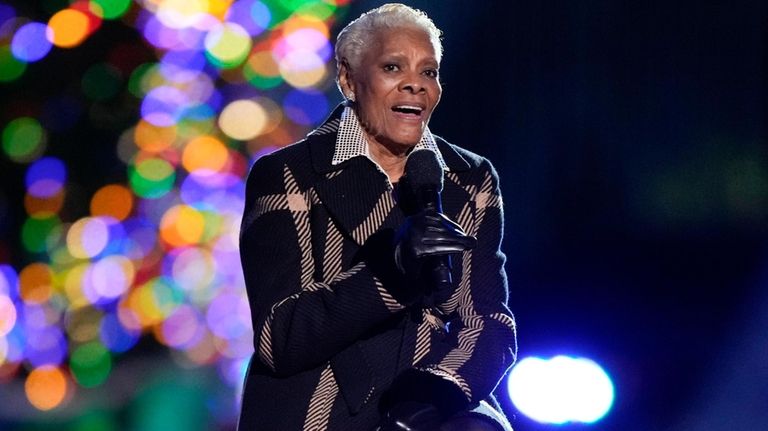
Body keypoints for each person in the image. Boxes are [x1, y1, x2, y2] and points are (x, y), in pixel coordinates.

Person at [237, 4, 517, 430]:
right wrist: (392, 272)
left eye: (429, 72)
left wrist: (433, 396)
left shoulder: (468, 178)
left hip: (432, 405)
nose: (415, 86)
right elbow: (281, 337)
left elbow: (488, 322)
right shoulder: (290, 174)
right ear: (349, 79)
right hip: (320, 406)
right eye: (393, 67)